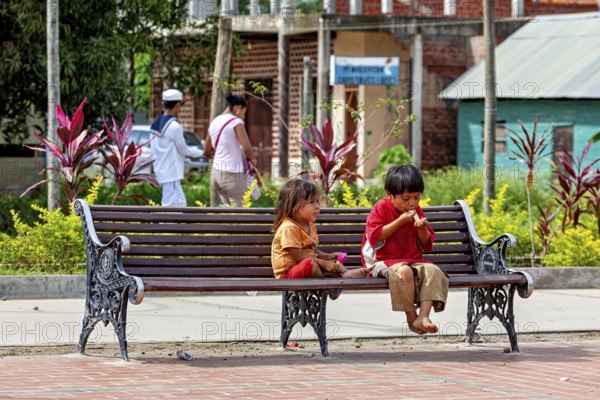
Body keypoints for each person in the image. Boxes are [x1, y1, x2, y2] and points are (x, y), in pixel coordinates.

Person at [361, 164, 449, 335]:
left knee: (434, 271)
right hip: (382, 260)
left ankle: (423, 316)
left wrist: (422, 228)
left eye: (417, 198)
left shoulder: (416, 210)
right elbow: (376, 236)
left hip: (412, 258)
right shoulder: (381, 207)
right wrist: (399, 222)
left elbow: (426, 244)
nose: (412, 203)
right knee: (405, 272)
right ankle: (411, 317)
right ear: (389, 195)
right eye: (406, 199)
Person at [272, 179, 371, 279]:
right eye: (311, 202)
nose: (317, 207)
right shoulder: (289, 227)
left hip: (307, 265)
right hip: (289, 274)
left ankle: (345, 272)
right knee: (311, 265)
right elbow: (299, 256)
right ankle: (327, 276)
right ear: (293, 206)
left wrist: (327, 257)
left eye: (317, 202)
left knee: (330, 262)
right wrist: (323, 263)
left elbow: (312, 250)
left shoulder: (309, 225)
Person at [150, 89, 204, 207]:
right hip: (171, 173)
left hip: (162, 170)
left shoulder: (154, 125)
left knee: (180, 205)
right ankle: (164, 226)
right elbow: (184, 150)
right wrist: (202, 152)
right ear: (177, 105)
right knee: (169, 208)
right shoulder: (174, 127)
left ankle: (176, 226)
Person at [204, 92, 257, 207]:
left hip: (216, 175)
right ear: (238, 108)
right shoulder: (236, 122)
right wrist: (253, 159)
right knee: (241, 214)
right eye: (243, 113)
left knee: (228, 213)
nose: (242, 117)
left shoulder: (214, 121)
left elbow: (207, 151)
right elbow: (247, 148)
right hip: (232, 175)